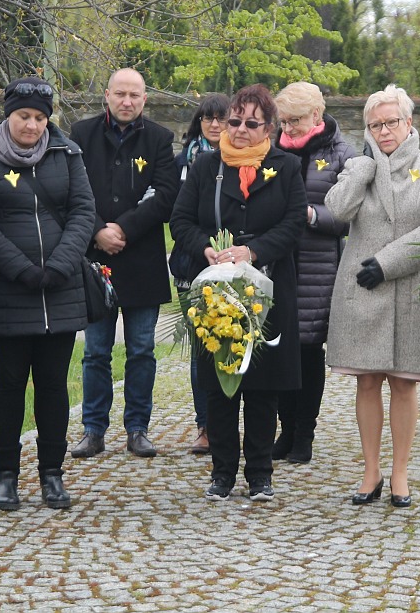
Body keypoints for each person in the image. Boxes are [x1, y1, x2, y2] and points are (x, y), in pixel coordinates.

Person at [0, 77, 96, 511]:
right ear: (8, 115)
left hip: (61, 287)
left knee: (54, 384)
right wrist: (19, 268)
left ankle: (52, 474)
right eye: (24, 116)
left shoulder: (67, 153)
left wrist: (60, 264)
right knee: (10, 382)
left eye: (40, 118)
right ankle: (6, 476)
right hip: (9, 289)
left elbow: (83, 210)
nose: (32, 126)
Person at [170, 83, 307, 501]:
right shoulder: (207, 166)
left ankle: (260, 474)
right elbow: (180, 221)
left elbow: (294, 222)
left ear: (270, 127)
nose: (241, 129)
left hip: (266, 287)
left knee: (262, 385)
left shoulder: (286, 167)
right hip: (215, 289)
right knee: (220, 384)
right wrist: (206, 249)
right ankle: (222, 472)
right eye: (235, 121)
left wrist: (253, 249)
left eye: (252, 123)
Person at [325, 85, 420, 509]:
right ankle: (370, 469)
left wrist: (388, 261)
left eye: (391, 122)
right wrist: (361, 170)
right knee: (366, 380)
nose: (383, 131)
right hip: (362, 289)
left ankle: (400, 471)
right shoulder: (358, 165)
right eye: (375, 124)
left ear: (409, 123)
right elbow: (337, 211)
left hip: (412, 287)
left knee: (403, 383)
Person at [70, 68, 179, 459]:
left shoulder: (160, 139)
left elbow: (166, 196)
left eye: (135, 95)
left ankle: (138, 428)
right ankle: (93, 429)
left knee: (141, 351)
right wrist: (98, 230)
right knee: (95, 351)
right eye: (120, 94)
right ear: (107, 95)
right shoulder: (80, 135)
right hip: (94, 260)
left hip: (142, 260)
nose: (127, 101)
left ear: (144, 100)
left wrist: (124, 230)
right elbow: (71, 189)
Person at [271, 81, 351, 464]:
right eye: (283, 121)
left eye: (295, 121)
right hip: (276, 266)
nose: (287, 129)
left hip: (318, 267)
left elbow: (350, 214)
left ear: (317, 115)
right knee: (277, 351)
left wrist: (311, 215)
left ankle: (304, 432)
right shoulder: (270, 148)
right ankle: (284, 429)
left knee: (305, 352)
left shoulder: (341, 153)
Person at [173, 92, 231, 455]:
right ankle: (205, 425)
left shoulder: (244, 162)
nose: (214, 124)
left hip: (234, 264)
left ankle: (234, 422)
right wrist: (202, 248)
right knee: (202, 350)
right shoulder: (185, 161)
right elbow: (178, 215)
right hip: (193, 265)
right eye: (208, 118)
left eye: (221, 118)